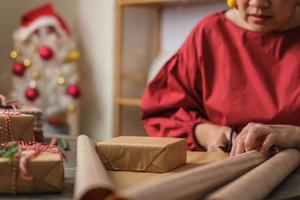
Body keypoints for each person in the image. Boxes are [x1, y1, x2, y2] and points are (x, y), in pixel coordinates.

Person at [141, 0, 300, 156]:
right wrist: (206, 133)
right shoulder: (209, 33)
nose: (258, 3)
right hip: (225, 166)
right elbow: (162, 112)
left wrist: (296, 136)